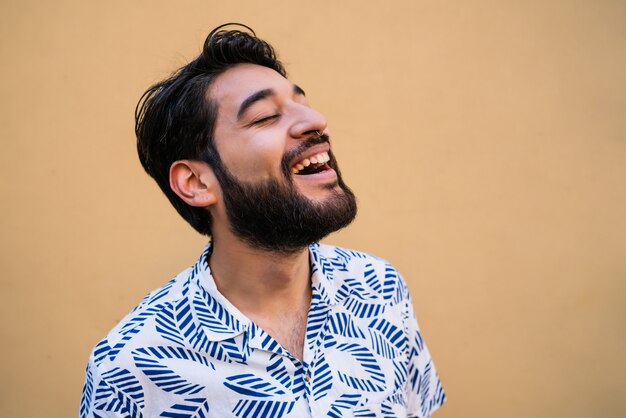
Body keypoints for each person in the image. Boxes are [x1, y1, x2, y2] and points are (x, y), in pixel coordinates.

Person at [80, 24, 445, 418]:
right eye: (265, 116)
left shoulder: (381, 289)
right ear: (197, 183)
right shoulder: (130, 368)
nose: (315, 120)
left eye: (303, 103)